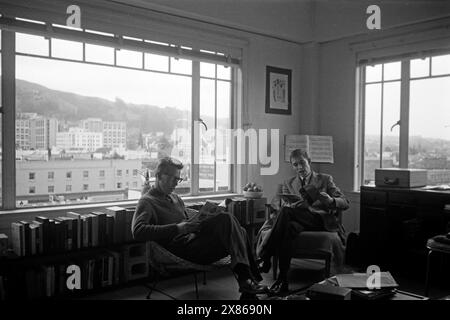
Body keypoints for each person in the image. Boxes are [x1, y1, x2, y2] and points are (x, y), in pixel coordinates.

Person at [132, 157, 268, 297]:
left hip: (195, 241)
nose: (176, 183)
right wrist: (179, 228)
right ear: (159, 176)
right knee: (226, 220)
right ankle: (248, 280)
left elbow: (187, 221)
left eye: (178, 179)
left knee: (241, 231)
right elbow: (138, 231)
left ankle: (247, 282)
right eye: (173, 179)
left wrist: (200, 221)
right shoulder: (147, 201)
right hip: (181, 250)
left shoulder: (175, 198)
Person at [257, 148, 350, 295]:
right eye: (295, 165)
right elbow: (276, 203)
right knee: (287, 227)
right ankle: (283, 281)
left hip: (319, 220)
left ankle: (265, 257)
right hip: (297, 221)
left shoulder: (325, 179)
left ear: (309, 162)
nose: (299, 167)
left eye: (302, 163)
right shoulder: (288, 183)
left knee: (286, 214)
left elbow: (345, 202)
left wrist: (331, 200)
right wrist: (285, 204)